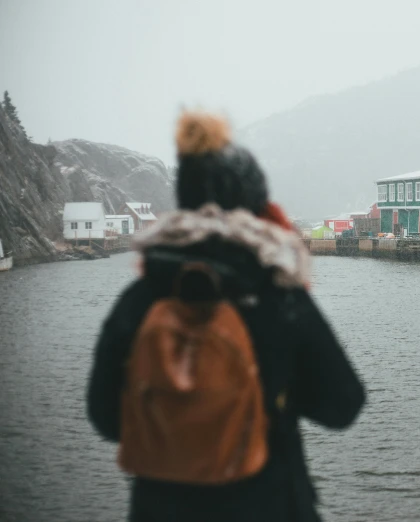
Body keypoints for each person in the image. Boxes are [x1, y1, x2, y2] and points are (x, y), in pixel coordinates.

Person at [87, 111, 365, 522]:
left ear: (186, 201)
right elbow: (343, 405)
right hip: (268, 504)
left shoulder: (143, 296)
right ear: (255, 205)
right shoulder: (277, 294)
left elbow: (105, 417)